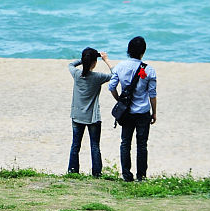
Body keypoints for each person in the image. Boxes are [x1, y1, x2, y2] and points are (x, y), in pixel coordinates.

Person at [109, 35, 157, 182]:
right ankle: (141, 176)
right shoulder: (149, 70)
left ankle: (126, 175)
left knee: (125, 143)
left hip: (127, 112)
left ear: (129, 50)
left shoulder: (120, 66)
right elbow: (152, 94)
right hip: (143, 112)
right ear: (143, 52)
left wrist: (119, 100)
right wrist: (154, 113)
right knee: (142, 145)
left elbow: (111, 87)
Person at [67, 47, 112, 176]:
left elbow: (71, 64)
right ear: (94, 63)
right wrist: (106, 60)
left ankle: (72, 172)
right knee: (95, 146)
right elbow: (115, 75)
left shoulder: (76, 74)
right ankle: (97, 174)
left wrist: (83, 60)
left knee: (75, 146)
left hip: (77, 116)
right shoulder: (98, 77)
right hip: (93, 117)